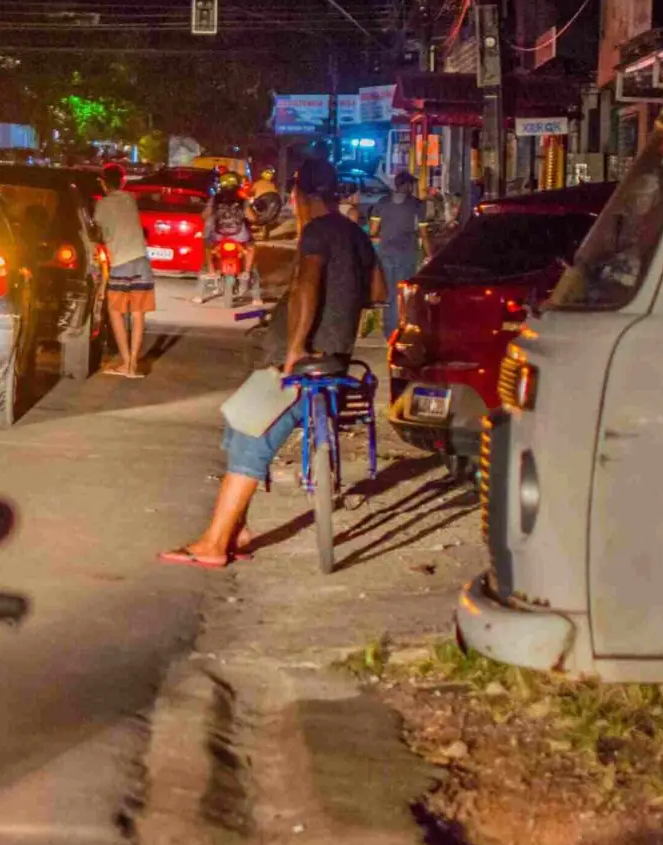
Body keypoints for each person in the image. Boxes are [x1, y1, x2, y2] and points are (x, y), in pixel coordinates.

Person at [161, 157, 378, 568]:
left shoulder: (317, 230)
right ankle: (238, 530)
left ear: (299, 194)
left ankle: (214, 544)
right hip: (336, 356)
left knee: (250, 439)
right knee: (237, 421)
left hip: (297, 359)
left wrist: (296, 347)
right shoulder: (356, 234)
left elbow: (307, 286)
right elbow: (378, 289)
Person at [94, 160, 156, 376]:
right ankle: (133, 365)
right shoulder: (130, 199)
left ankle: (126, 360)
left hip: (120, 263)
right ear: (122, 182)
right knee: (138, 313)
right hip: (141, 261)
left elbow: (100, 233)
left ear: (103, 183)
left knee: (115, 312)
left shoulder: (102, 205)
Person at [369, 177, 427, 344]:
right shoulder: (417, 205)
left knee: (389, 292)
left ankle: (389, 332)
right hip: (406, 254)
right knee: (402, 293)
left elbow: (373, 231)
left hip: (386, 253)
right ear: (408, 185)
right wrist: (430, 253)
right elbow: (424, 234)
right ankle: (398, 330)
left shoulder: (382, 202)